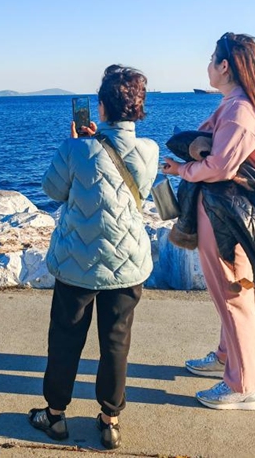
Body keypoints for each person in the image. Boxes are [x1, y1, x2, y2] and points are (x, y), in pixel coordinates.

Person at [29, 65, 159, 450]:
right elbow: (141, 187)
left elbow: (53, 189)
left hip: (76, 263)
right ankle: (110, 420)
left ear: (101, 107)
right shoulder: (149, 150)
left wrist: (78, 145)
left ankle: (54, 417)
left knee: (65, 339)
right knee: (116, 341)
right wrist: (95, 143)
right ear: (138, 109)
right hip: (127, 264)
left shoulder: (75, 149)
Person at [162, 33, 255, 411]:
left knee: (233, 294)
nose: (207, 65)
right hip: (230, 213)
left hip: (230, 218)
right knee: (230, 290)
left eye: (211, 58)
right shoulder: (236, 105)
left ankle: (243, 384)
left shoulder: (240, 111)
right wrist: (194, 152)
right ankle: (226, 357)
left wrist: (184, 168)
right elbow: (207, 143)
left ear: (224, 66)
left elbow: (219, 166)